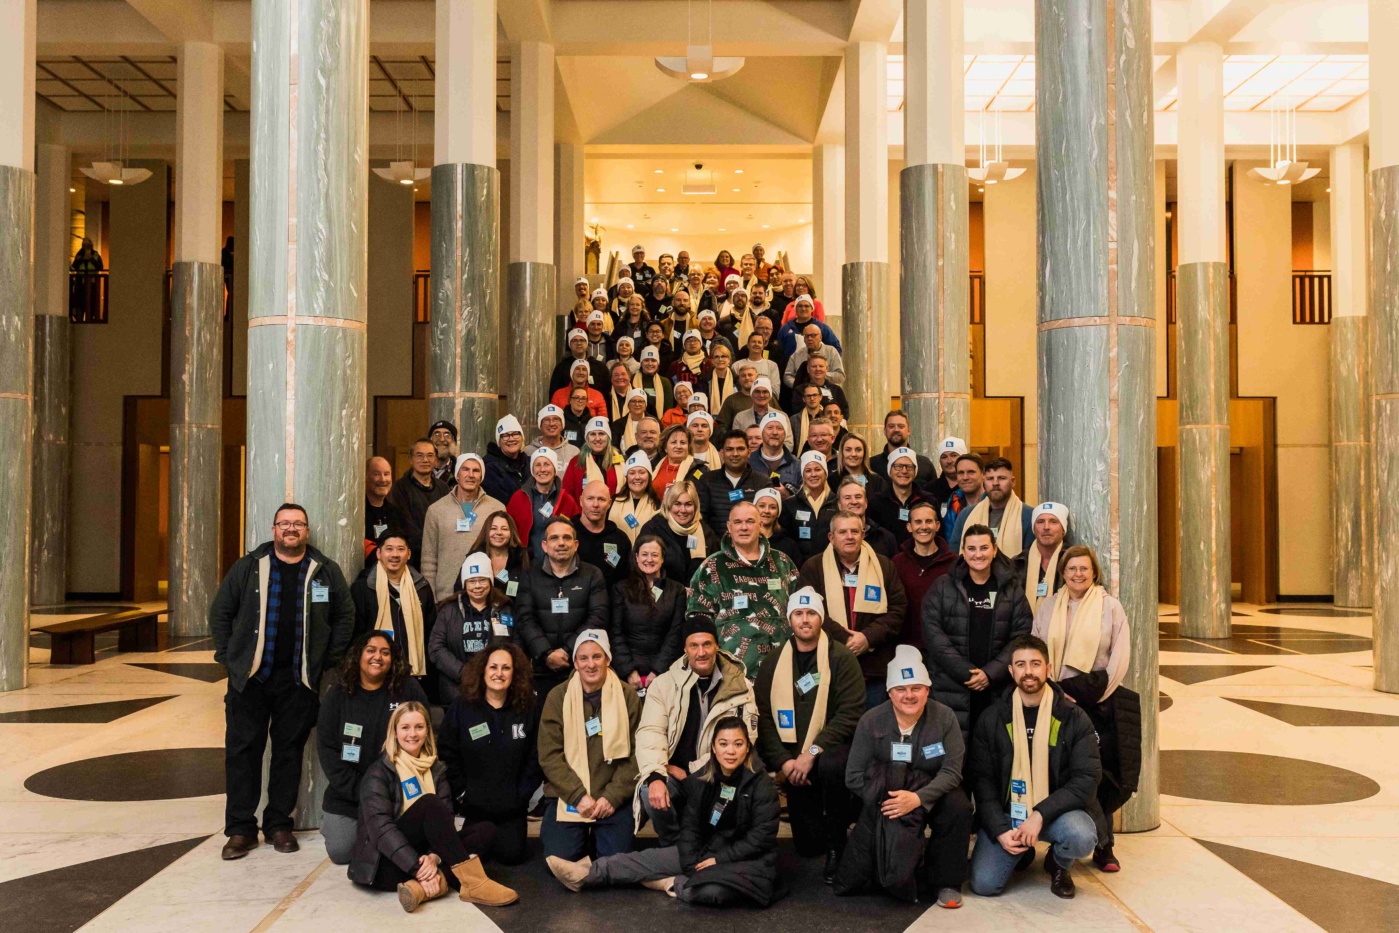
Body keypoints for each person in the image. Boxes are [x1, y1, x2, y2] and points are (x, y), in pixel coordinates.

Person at [211, 503, 354, 860]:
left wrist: (327, 659)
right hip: (250, 681)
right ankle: (240, 829)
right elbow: (221, 612)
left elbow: (345, 615)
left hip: (298, 681)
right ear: (274, 529)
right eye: (284, 523)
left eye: (298, 524)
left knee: (288, 754)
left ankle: (278, 825)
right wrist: (230, 658)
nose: (291, 529)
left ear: (307, 531)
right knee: (243, 753)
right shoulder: (249, 567)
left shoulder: (324, 571)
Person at [548, 716, 782, 907]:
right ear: (713, 747)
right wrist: (690, 861)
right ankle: (585, 874)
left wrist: (718, 860)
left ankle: (671, 883)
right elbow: (690, 826)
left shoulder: (762, 785)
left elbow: (760, 839)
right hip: (703, 851)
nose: (730, 751)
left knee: (711, 892)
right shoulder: (703, 778)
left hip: (745, 860)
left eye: (738, 744)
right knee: (643, 860)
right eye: (723, 744)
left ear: (747, 747)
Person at [832, 645, 971, 907]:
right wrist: (889, 800)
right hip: (886, 795)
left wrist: (918, 799)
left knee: (958, 807)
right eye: (901, 689)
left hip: (931, 791)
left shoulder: (945, 717)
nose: (909, 695)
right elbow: (853, 776)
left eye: (916, 688)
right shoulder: (871, 720)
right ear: (889, 693)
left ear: (927, 690)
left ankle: (947, 882)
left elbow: (952, 771)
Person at [346, 702, 519, 909]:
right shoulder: (378, 772)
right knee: (429, 803)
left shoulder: (436, 769)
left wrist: (434, 858)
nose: (412, 734)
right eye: (405, 727)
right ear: (394, 732)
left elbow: (444, 822)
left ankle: (419, 888)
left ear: (427, 731)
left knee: (486, 830)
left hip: (422, 858)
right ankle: (472, 883)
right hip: (385, 866)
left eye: (419, 727)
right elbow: (381, 831)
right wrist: (417, 867)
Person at [967, 635, 1102, 900]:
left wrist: (1039, 815)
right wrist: (1000, 830)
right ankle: (1022, 850)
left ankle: (1059, 863)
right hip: (1009, 814)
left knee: (1081, 836)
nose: (1028, 671)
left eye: (1035, 664)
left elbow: (1087, 778)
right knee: (984, 885)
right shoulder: (992, 718)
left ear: (1048, 668)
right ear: (1011, 671)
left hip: (1055, 813)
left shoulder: (1072, 717)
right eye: (1021, 664)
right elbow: (982, 781)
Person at [1030, 545, 1137, 872]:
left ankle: (1105, 846)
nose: (1078, 574)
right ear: (1062, 573)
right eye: (1072, 568)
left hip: (1097, 701)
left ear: (1094, 573)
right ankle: (1062, 840)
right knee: (1061, 771)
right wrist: (1054, 692)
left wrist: (1096, 694)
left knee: (1099, 774)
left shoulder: (1110, 607)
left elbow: (1120, 657)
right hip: (1055, 699)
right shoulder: (1048, 606)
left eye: (1084, 569)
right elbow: (1035, 649)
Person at [754, 587, 865, 882]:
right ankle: (825, 833)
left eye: (812, 613)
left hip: (830, 756)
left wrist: (812, 752)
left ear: (821, 618)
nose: (805, 620)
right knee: (807, 846)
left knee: (832, 766)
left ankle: (839, 845)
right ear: (789, 619)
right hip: (793, 762)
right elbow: (763, 717)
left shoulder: (841, 658)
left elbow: (851, 713)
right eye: (799, 614)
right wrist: (784, 762)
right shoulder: (773, 662)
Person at [631, 618, 758, 845]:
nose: (701, 652)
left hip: (719, 775)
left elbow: (745, 740)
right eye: (694, 645)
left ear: (717, 645)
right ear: (685, 649)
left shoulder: (740, 686)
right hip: (674, 777)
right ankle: (674, 845)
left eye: (707, 644)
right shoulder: (663, 685)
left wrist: (692, 772)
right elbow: (651, 732)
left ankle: (706, 846)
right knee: (650, 791)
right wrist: (656, 775)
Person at [317, 632, 429, 865]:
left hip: (397, 793)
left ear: (392, 659)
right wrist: (366, 792)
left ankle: (378, 833)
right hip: (349, 796)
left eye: (385, 652)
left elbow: (424, 736)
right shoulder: (338, 695)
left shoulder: (408, 689)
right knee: (342, 851)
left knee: (409, 847)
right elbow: (327, 749)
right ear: (358, 655)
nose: (377, 657)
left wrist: (391, 793)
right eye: (371, 650)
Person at [537, 630, 643, 861]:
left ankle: (598, 838)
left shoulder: (628, 696)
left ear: (608, 659)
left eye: (597, 656)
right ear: (575, 662)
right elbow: (549, 755)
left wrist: (612, 797)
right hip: (569, 796)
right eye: (583, 658)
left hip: (612, 797)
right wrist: (577, 796)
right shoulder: (558, 697)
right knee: (559, 859)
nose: (590, 664)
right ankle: (582, 838)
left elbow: (638, 754)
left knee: (615, 862)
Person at [922, 524, 1033, 740]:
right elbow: (932, 634)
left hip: (997, 687)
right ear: (963, 552)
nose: (978, 554)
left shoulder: (1011, 588)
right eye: (971, 549)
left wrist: (990, 673)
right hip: (951, 686)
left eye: (984, 548)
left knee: (992, 748)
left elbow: (1021, 635)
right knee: (954, 747)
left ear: (994, 550)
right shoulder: (943, 586)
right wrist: (966, 672)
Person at [438, 640, 542, 866]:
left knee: (511, 855)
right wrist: (462, 792)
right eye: (493, 667)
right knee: (475, 854)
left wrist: (521, 795)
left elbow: (536, 756)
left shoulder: (528, 708)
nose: (499, 673)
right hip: (474, 805)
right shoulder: (463, 706)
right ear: (483, 670)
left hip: (512, 807)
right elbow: (446, 752)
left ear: (515, 673)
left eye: (506, 668)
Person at [798, 510, 908, 709]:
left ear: (863, 534)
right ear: (831, 537)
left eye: (854, 531)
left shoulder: (884, 566)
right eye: (842, 532)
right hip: (829, 664)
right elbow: (808, 611)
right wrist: (845, 639)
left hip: (874, 668)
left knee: (872, 724)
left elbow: (898, 609)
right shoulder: (813, 567)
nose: (849, 536)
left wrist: (867, 637)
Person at [687, 501, 800, 678]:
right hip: (731, 672)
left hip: (782, 666)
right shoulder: (711, 567)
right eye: (738, 522)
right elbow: (699, 622)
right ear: (729, 527)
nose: (744, 527)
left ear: (760, 525)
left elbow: (800, 611)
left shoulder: (782, 562)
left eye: (750, 521)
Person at [515, 517, 610, 698]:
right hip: (539, 669)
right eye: (554, 538)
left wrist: (567, 651)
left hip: (580, 668)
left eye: (567, 538)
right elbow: (525, 618)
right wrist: (546, 653)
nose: (561, 543)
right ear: (544, 545)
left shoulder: (592, 574)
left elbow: (597, 617)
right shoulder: (530, 576)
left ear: (576, 545)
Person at [350, 532, 437, 685]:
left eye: (400, 549)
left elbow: (431, 631)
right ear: (378, 553)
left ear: (409, 554)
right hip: (374, 673)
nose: (395, 555)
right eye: (389, 549)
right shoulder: (364, 588)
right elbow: (356, 634)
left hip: (413, 674)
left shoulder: (421, 588)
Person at [419, 453, 506, 602]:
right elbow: (429, 560)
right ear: (457, 475)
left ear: (481, 476)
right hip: (446, 596)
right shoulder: (436, 510)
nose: (470, 475)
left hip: (486, 596)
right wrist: (431, 598)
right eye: (465, 469)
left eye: (476, 470)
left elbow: (504, 552)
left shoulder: (497, 508)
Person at [429, 553, 515, 703]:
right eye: (472, 581)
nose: (477, 586)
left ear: (490, 581)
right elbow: (436, 648)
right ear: (464, 583)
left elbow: (514, 645)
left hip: (497, 687)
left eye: (482, 580)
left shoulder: (504, 609)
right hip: (456, 690)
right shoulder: (448, 610)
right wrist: (464, 673)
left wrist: (494, 672)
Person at [609, 537, 686, 688]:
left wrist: (658, 671)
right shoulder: (620, 589)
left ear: (662, 558)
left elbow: (675, 634)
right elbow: (615, 632)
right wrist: (628, 671)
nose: (649, 559)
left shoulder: (677, 590)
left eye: (655, 555)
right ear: (636, 557)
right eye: (644, 554)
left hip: (666, 672)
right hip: (627, 673)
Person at [893, 502, 957, 652]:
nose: (923, 527)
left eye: (929, 521)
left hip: (944, 646)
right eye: (918, 522)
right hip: (906, 646)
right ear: (909, 527)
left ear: (937, 526)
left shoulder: (954, 563)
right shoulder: (897, 563)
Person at [504, 447, 581, 563]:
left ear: (554, 469)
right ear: (532, 469)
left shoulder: (567, 500)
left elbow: (576, 532)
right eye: (537, 465)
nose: (542, 469)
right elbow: (508, 530)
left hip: (559, 563)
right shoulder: (518, 498)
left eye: (547, 464)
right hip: (526, 563)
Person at [948, 456, 1034, 557]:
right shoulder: (966, 515)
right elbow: (954, 556)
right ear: (984, 482)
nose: (995, 483)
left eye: (1002, 478)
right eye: (990, 479)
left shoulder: (1029, 516)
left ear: (1013, 482)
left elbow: (1031, 558)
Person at [696, 428, 772, 538]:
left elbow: (767, 521)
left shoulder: (762, 482)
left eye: (740, 449)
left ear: (749, 452)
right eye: (729, 449)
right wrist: (718, 544)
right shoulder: (707, 480)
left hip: (753, 544)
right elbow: (700, 518)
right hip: (715, 545)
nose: (735, 454)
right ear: (722, 453)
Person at [640, 480, 717, 587]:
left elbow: (715, 571)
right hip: (661, 593)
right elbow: (640, 570)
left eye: (688, 504)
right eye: (677, 504)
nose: (683, 510)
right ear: (669, 505)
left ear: (695, 506)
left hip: (697, 594)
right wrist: (678, 591)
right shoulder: (653, 529)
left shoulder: (706, 533)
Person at [387, 438, 450, 568]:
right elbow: (405, 523)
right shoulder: (400, 488)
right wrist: (430, 546)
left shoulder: (443, 488)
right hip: (412, 557)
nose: (425, 460)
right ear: (410, 459)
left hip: (442, 555)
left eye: (430, 455)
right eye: (419, 455)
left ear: (436, 460)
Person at [868, 447, 935, 549]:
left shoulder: (929, 501)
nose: (904, 471)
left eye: (909, 467)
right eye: (898, 466)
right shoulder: (876, 503)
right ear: (890, 470)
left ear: (915, 471)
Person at [573, 479, 634, 589]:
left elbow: (627, 581)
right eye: (590, 498)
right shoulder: (567, 535)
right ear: (581, 501)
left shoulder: (620, 539)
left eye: (601, 499)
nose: (595, 504)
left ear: (609, 503)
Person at [783, 450, 837, 564]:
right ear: (803, 475)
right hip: (800, 565)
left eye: (818, 469)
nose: (813, 474)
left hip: (831, 563)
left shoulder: (837, 503)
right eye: (808, 471)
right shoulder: (790, 504)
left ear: (825, 473)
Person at [1018, 501, 1070, 615]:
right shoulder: (1018, 563)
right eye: (1040, 522)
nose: (1046, 527)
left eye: (1053, 522)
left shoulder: (1073, 562)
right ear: (1034, 528)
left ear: (1063, 529)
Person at [464, 511, 529, 602]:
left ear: (511, 532)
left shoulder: (521, 557)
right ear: (486, 532)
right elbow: (461, 590)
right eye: (493, 528)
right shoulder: (474, 558)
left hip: (515, 609)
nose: (499, 532)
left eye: (504, 529)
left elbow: (529, 593)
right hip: (481, 610)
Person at [869, 411, 938, 487]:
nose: (896, 429)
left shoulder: (925, 465)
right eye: (891, 426)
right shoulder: (871, 465)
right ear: (885, 431)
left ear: (908, 431)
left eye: (901, 426)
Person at [834, 476, 898, 558]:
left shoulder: (885, 537)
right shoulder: (829, 537)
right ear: (839, 505)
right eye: (847, 498)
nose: (854, 502)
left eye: (858, 497)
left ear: (866, 502)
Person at [563, 416, 623, 500]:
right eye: (593, 434)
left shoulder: (619, 461)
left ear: (608, 437)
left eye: (601, 434)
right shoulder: (576, 462)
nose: (597, 438)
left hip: (616, 507)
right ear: (587, 438)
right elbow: (567, 494)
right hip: (582, 508)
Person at [609, 451, 661, 541]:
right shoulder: (613, 501)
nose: (637, 477)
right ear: (627, 477)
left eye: (642, 472)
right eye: (632, 473)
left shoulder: (657, 505)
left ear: (649, 476)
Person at [364, 456, 404, 567]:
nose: (383, 479)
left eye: (386, 474)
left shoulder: (396, 514)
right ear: (365, 476)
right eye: (376, 474)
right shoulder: (357, 513)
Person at [731, 377, 792, 449]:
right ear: (751, 394)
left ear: (770, 395)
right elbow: (736, 443)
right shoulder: (740, 417)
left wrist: (769, 452)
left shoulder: (782, 417)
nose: (761, 395)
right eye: (757, 392)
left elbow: (789, 443)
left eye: (765, 392)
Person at [649, 424, 706, 498]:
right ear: (665, 447)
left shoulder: (700, 470)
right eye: (673, 442)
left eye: (683, 443)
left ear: (688, 447)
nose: (678, 446)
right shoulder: (652, 466)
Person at [483, 415, 530, 505]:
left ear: (522, 437)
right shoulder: (489, 467)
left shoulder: (530, 463)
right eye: (505, 435)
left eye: (515, 434)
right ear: (499, 441)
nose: (511, 439)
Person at [776, 295, 840, 360]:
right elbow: (779, 353)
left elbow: (836, 349)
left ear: (812, 309)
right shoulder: (785, 329)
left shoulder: (822, 328)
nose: (803, 309)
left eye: (806, 306)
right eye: (800, 306)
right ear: (795, 309)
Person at [784, 322, 847, 388]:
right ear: (804, 339)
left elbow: (840, 376)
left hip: (827, 390)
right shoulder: (796, 355)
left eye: (813, 335)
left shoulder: (831, 351)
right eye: (807, 336)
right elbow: (787, 376)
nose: (810, 339)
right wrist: (800, 386)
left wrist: (820, 376)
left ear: (820, 337)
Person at [550, 328, 609, 395]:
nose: (579, 343)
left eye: (582, 340)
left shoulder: (599, 367)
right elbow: (554, 393)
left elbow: (606, 391)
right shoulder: (561, 368)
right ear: (570, 344)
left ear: (587, 343)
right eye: (575, 340)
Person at [754, 486, 801, 563]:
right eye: (762, 506)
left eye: (772, 507)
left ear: (778, 512)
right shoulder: (746, 540)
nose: (767, 511)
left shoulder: (789, 545)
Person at [926, 435, 968, 510]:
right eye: (944, 457)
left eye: (954, 455)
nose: (949, 461)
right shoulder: (929, 490)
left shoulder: (972, 486)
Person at [714, 361, 757, 433]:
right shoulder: (731, 400)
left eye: (750, 375)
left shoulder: (767, 398)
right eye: (743, 376)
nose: (747, 378)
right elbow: (722, 427)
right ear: (739, 379)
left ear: (756, 377)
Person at [946, 452, 987, 524]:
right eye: (961, 473)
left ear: (983, 474)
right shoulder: (954, 502)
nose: (965, 477)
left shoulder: (993, 502)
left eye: (971, 472)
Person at [632, 346, 675, 415]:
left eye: (653, 360)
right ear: (641, 363)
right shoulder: (632, 379)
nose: (650, 364)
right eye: (646, 360)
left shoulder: (665, 382)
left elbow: (668, 411)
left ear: (658, 363)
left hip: (659, 420)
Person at [427, 420, 459, 486]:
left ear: (454, 442)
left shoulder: (460, 472)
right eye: (437, 434)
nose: (442, 439)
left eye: (447, 435)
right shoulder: (416, 473)